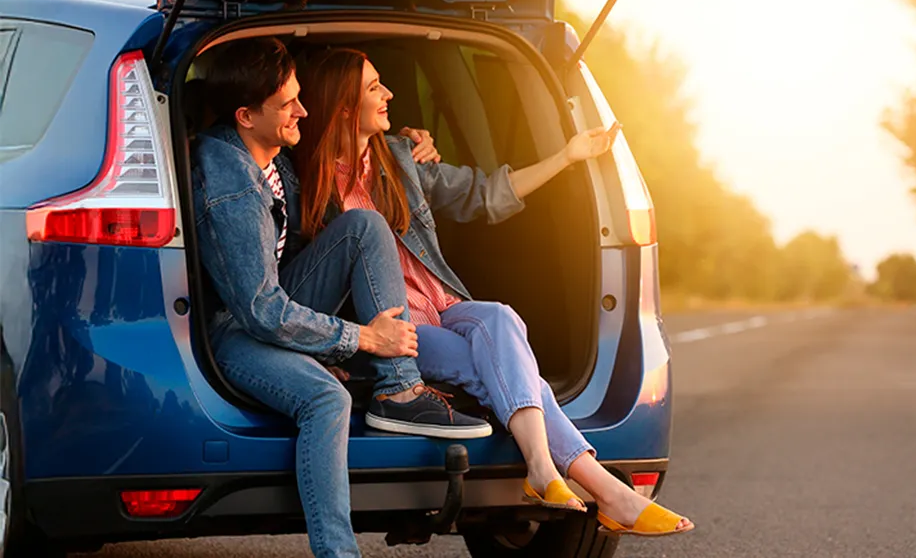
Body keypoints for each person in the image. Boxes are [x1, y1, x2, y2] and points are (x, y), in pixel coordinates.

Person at [291, 47, 694, 537]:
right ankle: (599, 489)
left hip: (442, 302)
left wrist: (568, 156)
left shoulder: (399, 156)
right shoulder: (302, 176)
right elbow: (301, 274)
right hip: (396, 329)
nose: (390, 92)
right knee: (506, 368)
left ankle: (547, 470)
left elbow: (482, 194)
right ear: (344, 107)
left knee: (502, 318)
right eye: (375, 86)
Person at [190, 37, 492, 558]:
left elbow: (342, 156)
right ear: (245, 115)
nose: (302, 111)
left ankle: (400, 392)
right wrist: (362, 339)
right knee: (327, 399)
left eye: (300, 97)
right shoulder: (232, 184)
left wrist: (406, 145)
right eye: (288, 104)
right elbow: (260, 311)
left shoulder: (273, 156)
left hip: (277, 308)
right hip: (237, 330)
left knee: (364, 226)